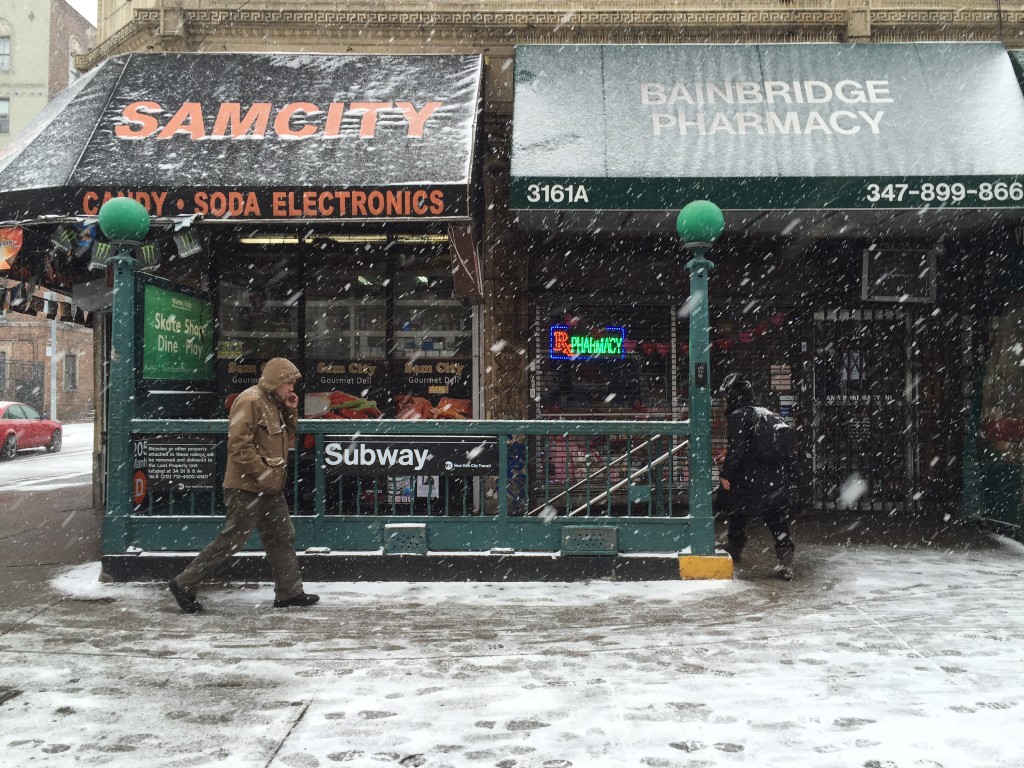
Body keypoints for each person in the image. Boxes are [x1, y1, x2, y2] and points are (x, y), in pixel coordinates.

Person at [168, 357, 320, 612]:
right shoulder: (249, 400)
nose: (292, 388)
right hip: (246, 487)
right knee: (232, 540)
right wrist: (262, 475)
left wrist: (291, 408)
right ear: (276, 381)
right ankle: (184, 583)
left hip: (270, 487)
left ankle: (289, 593)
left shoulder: (274, 401)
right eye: (289, 383)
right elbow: (238, 446)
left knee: (282, 536)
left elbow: (289, 435)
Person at [716, 373, 799, 580]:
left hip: (750, 478)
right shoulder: (767, 414)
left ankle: (735, 548)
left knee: (736, 510)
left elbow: (737, 449)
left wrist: (726, 473)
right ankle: (786, 562)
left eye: (727, 396)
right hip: (774, 478)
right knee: (776, 519)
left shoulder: (738, 416)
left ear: (733, 395)